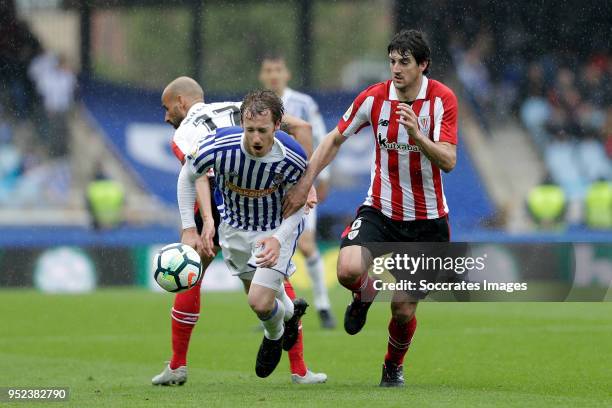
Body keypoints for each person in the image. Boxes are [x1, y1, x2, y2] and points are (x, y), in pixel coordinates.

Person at [283, 29, 458, 387]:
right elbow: (334, 138)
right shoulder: (374, 98)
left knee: (403, 309)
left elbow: (450, 160)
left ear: (423, 65)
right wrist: (306, 182)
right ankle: (363, 293)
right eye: (392, 60)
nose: (396, 68)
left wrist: (418, 136)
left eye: (404, 62)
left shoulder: (442, 100)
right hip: (379, 209)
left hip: (427, 222)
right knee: (347, 270)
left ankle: (392, 365)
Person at [152, 77, 325, 385]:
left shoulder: (185, 133)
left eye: (167, 108)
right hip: (241, 207)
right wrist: (305, 186)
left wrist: (201, 224)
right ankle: (298, 366)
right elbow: (302, 127)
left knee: (192, 277)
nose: (166, 117)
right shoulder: (237, 108)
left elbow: (198, 175)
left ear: (181, 102)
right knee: (268, 288)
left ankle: (178, 365)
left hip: (227, 205)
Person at [259, 54, 336, 329]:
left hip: (301, 184)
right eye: (269, 70)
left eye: (278, 69)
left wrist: (320, 177)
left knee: (305, 245)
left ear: (286, 73)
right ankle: (275, 308)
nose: (273, 75)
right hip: (269, 189)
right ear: (262, 75)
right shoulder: (257, 106)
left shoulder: (303, 104)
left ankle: (324, 306)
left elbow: (323, 138)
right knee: (273, 249)